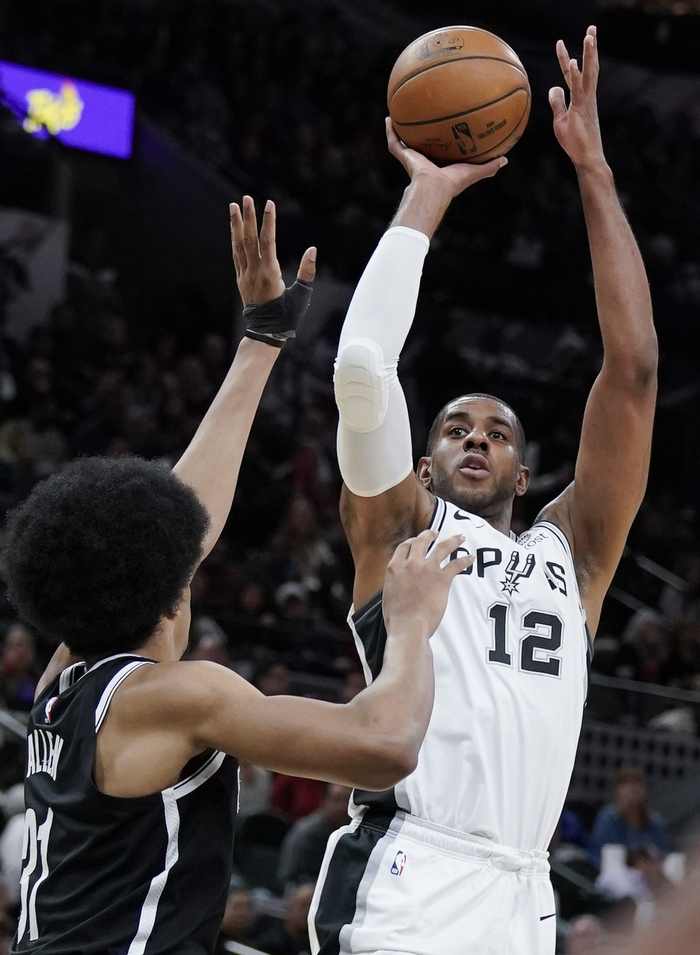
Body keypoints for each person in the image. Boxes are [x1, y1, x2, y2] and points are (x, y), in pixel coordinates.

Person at [2, 197, 472, 955]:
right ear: (168, 593)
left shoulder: (65, 678)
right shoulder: (176, 696)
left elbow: (177, 520)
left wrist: (261, 339)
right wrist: (412, 623)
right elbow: (384, 744)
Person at [310, 26, 658, 955]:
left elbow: (632, 373)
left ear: (527, 474)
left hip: (524, 889)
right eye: (456, 428)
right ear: (422, 465)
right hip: (411, 873)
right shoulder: (399, 529)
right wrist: (426, 195)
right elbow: (361, 367)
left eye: (498, 432)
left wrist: (594, 171)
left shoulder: (572, 555)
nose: (476, 437)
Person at [277, 784, 351, 891]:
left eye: (347, 801)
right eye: (337, 800)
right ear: (324, 801)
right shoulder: (306, 832)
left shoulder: (356, 833)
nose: (342, 807)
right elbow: (288, 876)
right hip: (305, 888)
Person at [591, 766, 669, 856]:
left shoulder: (656, 823)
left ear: (644, 792)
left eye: (635, 791)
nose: (632, 796)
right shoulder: (608, 819)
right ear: (617, 794)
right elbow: (603, 852)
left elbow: (662, 855)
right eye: (627, 794)